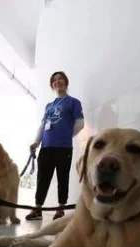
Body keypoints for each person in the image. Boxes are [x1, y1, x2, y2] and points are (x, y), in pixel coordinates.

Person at [26, 71, 84, 221]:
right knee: (42, 178)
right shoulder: (49, 106)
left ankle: (61, 209)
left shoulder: (73, 102)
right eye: (55, 80)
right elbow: (42, 125)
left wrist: (66, 135)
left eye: (61, 79)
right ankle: (37, 208)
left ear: (66, 82)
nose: (58, 82)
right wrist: (36, 142)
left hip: (64, 148)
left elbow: (80, 123)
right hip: (46, 148)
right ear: (52, 85)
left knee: (62, 178)